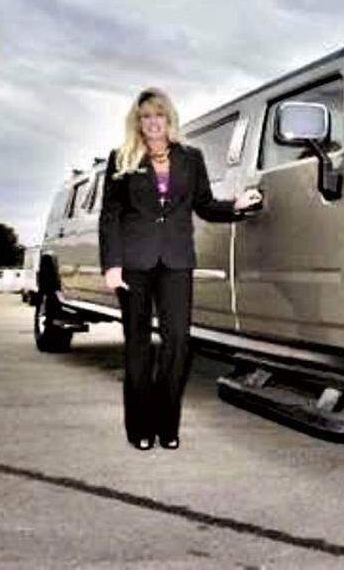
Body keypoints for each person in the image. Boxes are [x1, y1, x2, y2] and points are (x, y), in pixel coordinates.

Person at [99, 87, 261, 451]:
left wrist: (236, 205)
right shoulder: (121, 158)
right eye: (145, 116)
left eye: (159, 115)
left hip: (176, 262)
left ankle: (167, 425)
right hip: (133, 265)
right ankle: (139, 427)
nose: (153, 122)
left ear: (168, 119)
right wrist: (111, 264)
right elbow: (110, 217)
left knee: (178, 343)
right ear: (137, 122)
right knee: (137, 347)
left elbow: (203, 205)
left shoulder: (191, 157)